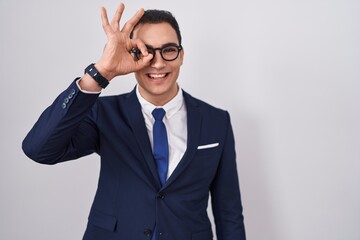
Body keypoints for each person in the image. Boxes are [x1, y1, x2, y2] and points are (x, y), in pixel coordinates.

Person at [22, 3, 246, 240]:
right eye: (145, 51)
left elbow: (228, 213)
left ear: (181, 55)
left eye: (168, 50)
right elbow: (38, 149)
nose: (158, 63)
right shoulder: (104, 113)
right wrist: (101, 73)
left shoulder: (216, 121)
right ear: (131, 54)